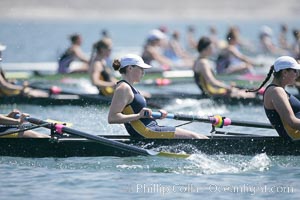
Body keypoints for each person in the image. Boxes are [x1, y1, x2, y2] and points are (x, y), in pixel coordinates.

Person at [108, 54, 207, 139]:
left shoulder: (130, 87)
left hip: (151, 128)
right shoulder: (123, 88)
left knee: (201, 137)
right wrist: (138, 115)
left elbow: (138, 113)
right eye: (141, 69)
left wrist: (156, 115)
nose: (143, 72)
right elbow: (112, 118)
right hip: (146, 131)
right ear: (130, 68)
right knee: (196, 137)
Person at [247, 56, 300, 140]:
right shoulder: (276, 91)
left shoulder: (277, 90)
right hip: (295, 138)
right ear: (285, 72)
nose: (297, 74)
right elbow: (292, 122)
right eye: (295, 71)